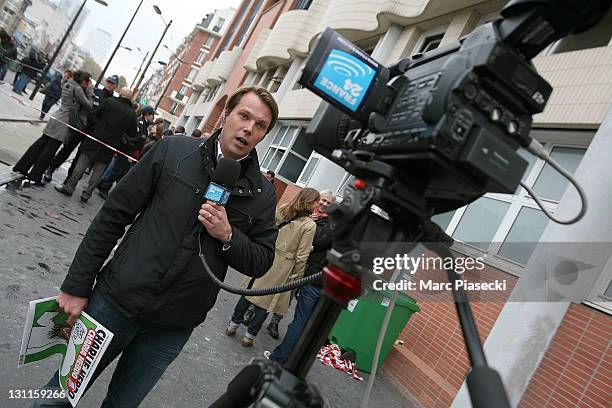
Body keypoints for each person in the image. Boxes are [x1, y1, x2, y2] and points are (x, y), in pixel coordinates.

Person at [30, 86, 279, 407]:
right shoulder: (173, 151)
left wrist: (228, 236)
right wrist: (77, 285)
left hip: (172, 327)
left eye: (260, 125)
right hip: (114, 303)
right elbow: (113, 216)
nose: (249, 128)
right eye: (244, 116)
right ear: (226, 115)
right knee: (57, 397)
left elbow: (261, 261)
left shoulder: (262, 193)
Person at [227, 188, 319, 347]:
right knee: (267, 301)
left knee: (250, 291)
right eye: (316, 201)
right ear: (309, 201)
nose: (318, 205)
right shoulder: (309, 225)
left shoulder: (283, 209)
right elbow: (302, 256)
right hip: (284, 265)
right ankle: (249, 336)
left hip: (267, 254)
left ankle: (233, 325)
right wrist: (298, 276)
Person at [267, 190, 336, 364]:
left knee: (300, 320)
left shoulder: (327, 225)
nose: (323, 205)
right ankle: (295, 357)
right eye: (322, 201)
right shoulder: (336, 227)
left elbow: (317, 244)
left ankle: (281, 358)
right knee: (307, 321)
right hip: (323, 281)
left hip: (312, 277)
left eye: (329, 203)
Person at [54, 87, 138, 203]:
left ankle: (69, 188)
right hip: (111, 144)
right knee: (99, 171)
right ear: (130, 99)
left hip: (95, 137)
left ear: (120, 94)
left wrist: (97, 126)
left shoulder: (110, 102)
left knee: (81, 164)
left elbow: (94, 115)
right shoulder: (132, 114)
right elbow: (132, 134)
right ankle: (86, 194)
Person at [12, 70, 93, 186]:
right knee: (50, 150)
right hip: (64, 121)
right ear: (83, 80)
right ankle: (35, 176)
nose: (89, 84)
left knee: (40, 144)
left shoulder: (67, 83)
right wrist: (89, 91)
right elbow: (89, 105)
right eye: (88, 81)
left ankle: (21, 167)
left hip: (56, 116)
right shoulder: (78, 89)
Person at [43, 75, 118, 182]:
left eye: (112, 83)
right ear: (106, 82)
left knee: (80, 157)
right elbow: (83, 105)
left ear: (116, 86)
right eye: (109, 82)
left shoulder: (112, 100)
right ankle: (51, 169)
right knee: (67, 148)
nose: (110, 85)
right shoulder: (95, 92)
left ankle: (69, 179)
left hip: (93, 132)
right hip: (81, 125)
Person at [97, 105, 156, 199]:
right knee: (116, 171)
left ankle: (105, 185)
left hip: (130, 154)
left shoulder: (144, 126)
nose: (153, 117)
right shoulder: (139, 124)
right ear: (147, 114)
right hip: (126, 152)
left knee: (121, 173)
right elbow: (132, 140)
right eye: (152, 115)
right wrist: (129, 154)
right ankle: (104, 186)